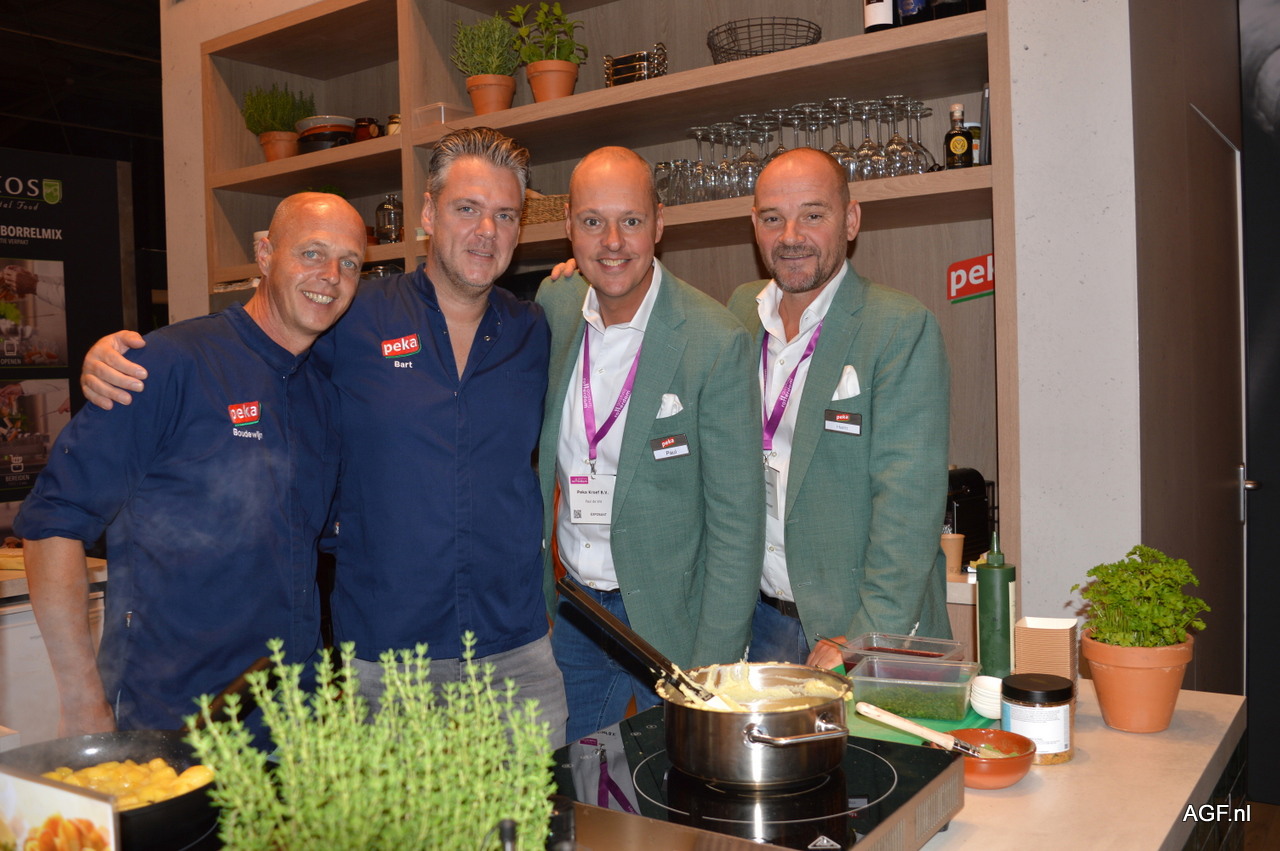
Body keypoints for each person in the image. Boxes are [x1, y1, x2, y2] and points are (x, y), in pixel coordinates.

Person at [79, 129, 570, 746]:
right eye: (466, 208)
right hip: (387, 662)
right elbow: (249, 344)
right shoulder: (351, 315)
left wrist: (580, 271)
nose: (486, 231)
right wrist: (123, 355)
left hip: (517, 655)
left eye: (505, 215)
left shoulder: (534, 329)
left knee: (546, 809)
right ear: (427, 214)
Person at [16, 192, 366, 735]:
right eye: (312, 253)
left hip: (289, 718)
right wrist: (82, 701)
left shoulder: (322, 391)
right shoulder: (165, 364)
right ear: (265, 254)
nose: (331, 276)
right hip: (168, 716)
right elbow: (52, 525)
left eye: (350, 263)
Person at [536, 147, 763, 742]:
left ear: (659, 224)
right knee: (573, 779)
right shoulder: (554, 305)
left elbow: (737, 522)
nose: (612, 242)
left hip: (671, 623)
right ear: (569, 227)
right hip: (574, 612)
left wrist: (713, 664)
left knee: (670, 782)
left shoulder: (714, 340)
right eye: (593, 222)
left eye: (630, 221)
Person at [726, 148, 952, 670]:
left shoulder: (898, 327)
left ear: (850, 221)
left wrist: (864, 636)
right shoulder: (739, 312)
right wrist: (586, 278)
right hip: (756, 621)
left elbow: (908, 506)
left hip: (852, 630)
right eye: (773, 219)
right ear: (754, 225)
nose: (791, 237)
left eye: (813, 214)